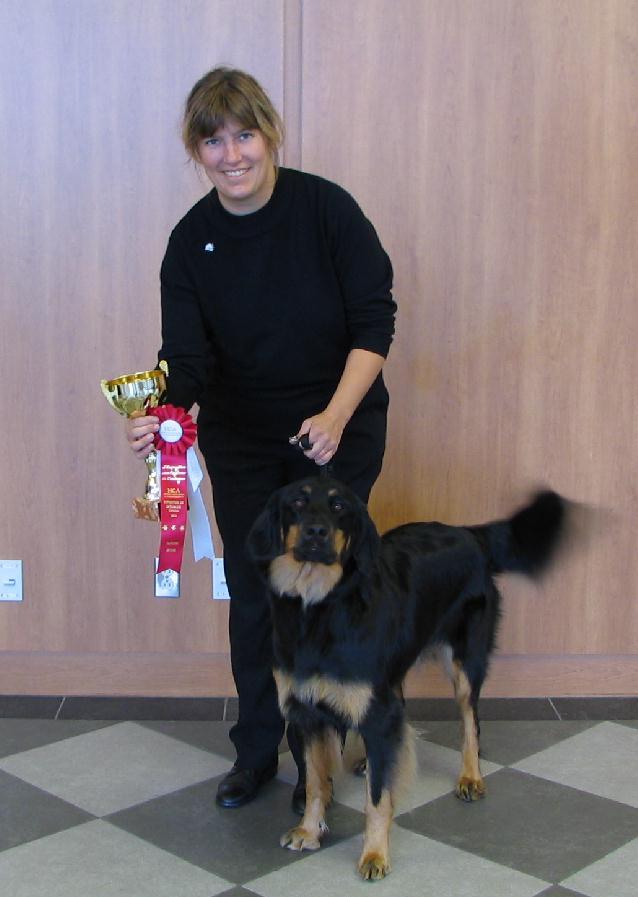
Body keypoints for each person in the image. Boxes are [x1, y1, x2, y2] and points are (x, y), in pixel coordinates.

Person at [125, 67, 396, 812]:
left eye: (244, 135)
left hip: (336, 429)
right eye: (214, 142)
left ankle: (336, 746)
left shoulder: (327, 210)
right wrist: (159, 411)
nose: (232, 155)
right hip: (242, 438)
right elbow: (186, 358)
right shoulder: (191, 241)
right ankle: (255, 751)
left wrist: (335, 417)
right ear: (197, 151)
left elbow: (375, 321)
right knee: (254, 594)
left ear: (269, 134)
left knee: (329, 588)